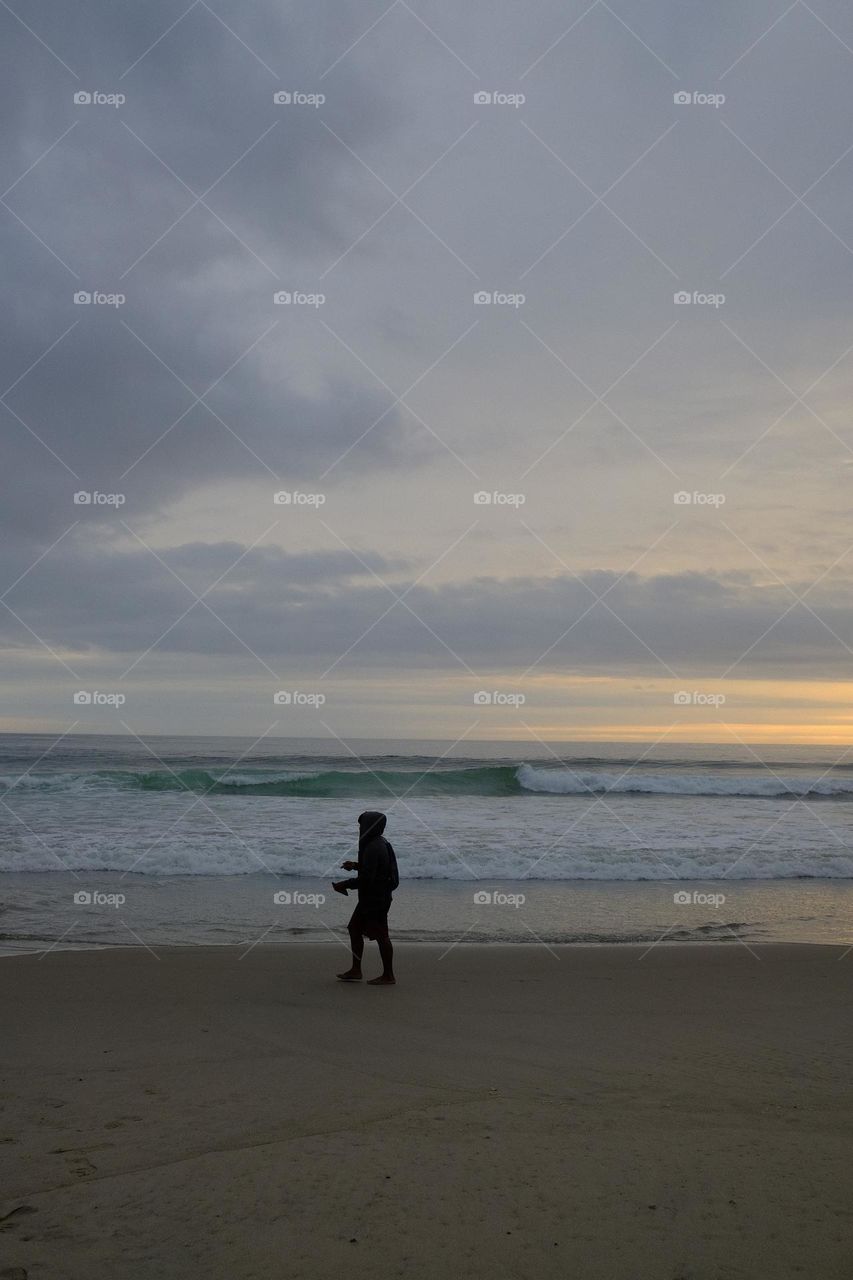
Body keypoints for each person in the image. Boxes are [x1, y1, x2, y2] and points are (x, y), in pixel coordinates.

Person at [333, 811, 398, 985]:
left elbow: (366, 879)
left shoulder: (372, 847)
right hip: (377, 897)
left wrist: (344, 884)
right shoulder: (380, 843)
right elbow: (374, 870)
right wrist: (355, 865)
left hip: (375, 899)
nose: (360, 828)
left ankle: (388, 975)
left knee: (381, 935)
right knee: (354, 928)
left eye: (363, 825)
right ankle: (356, 970)